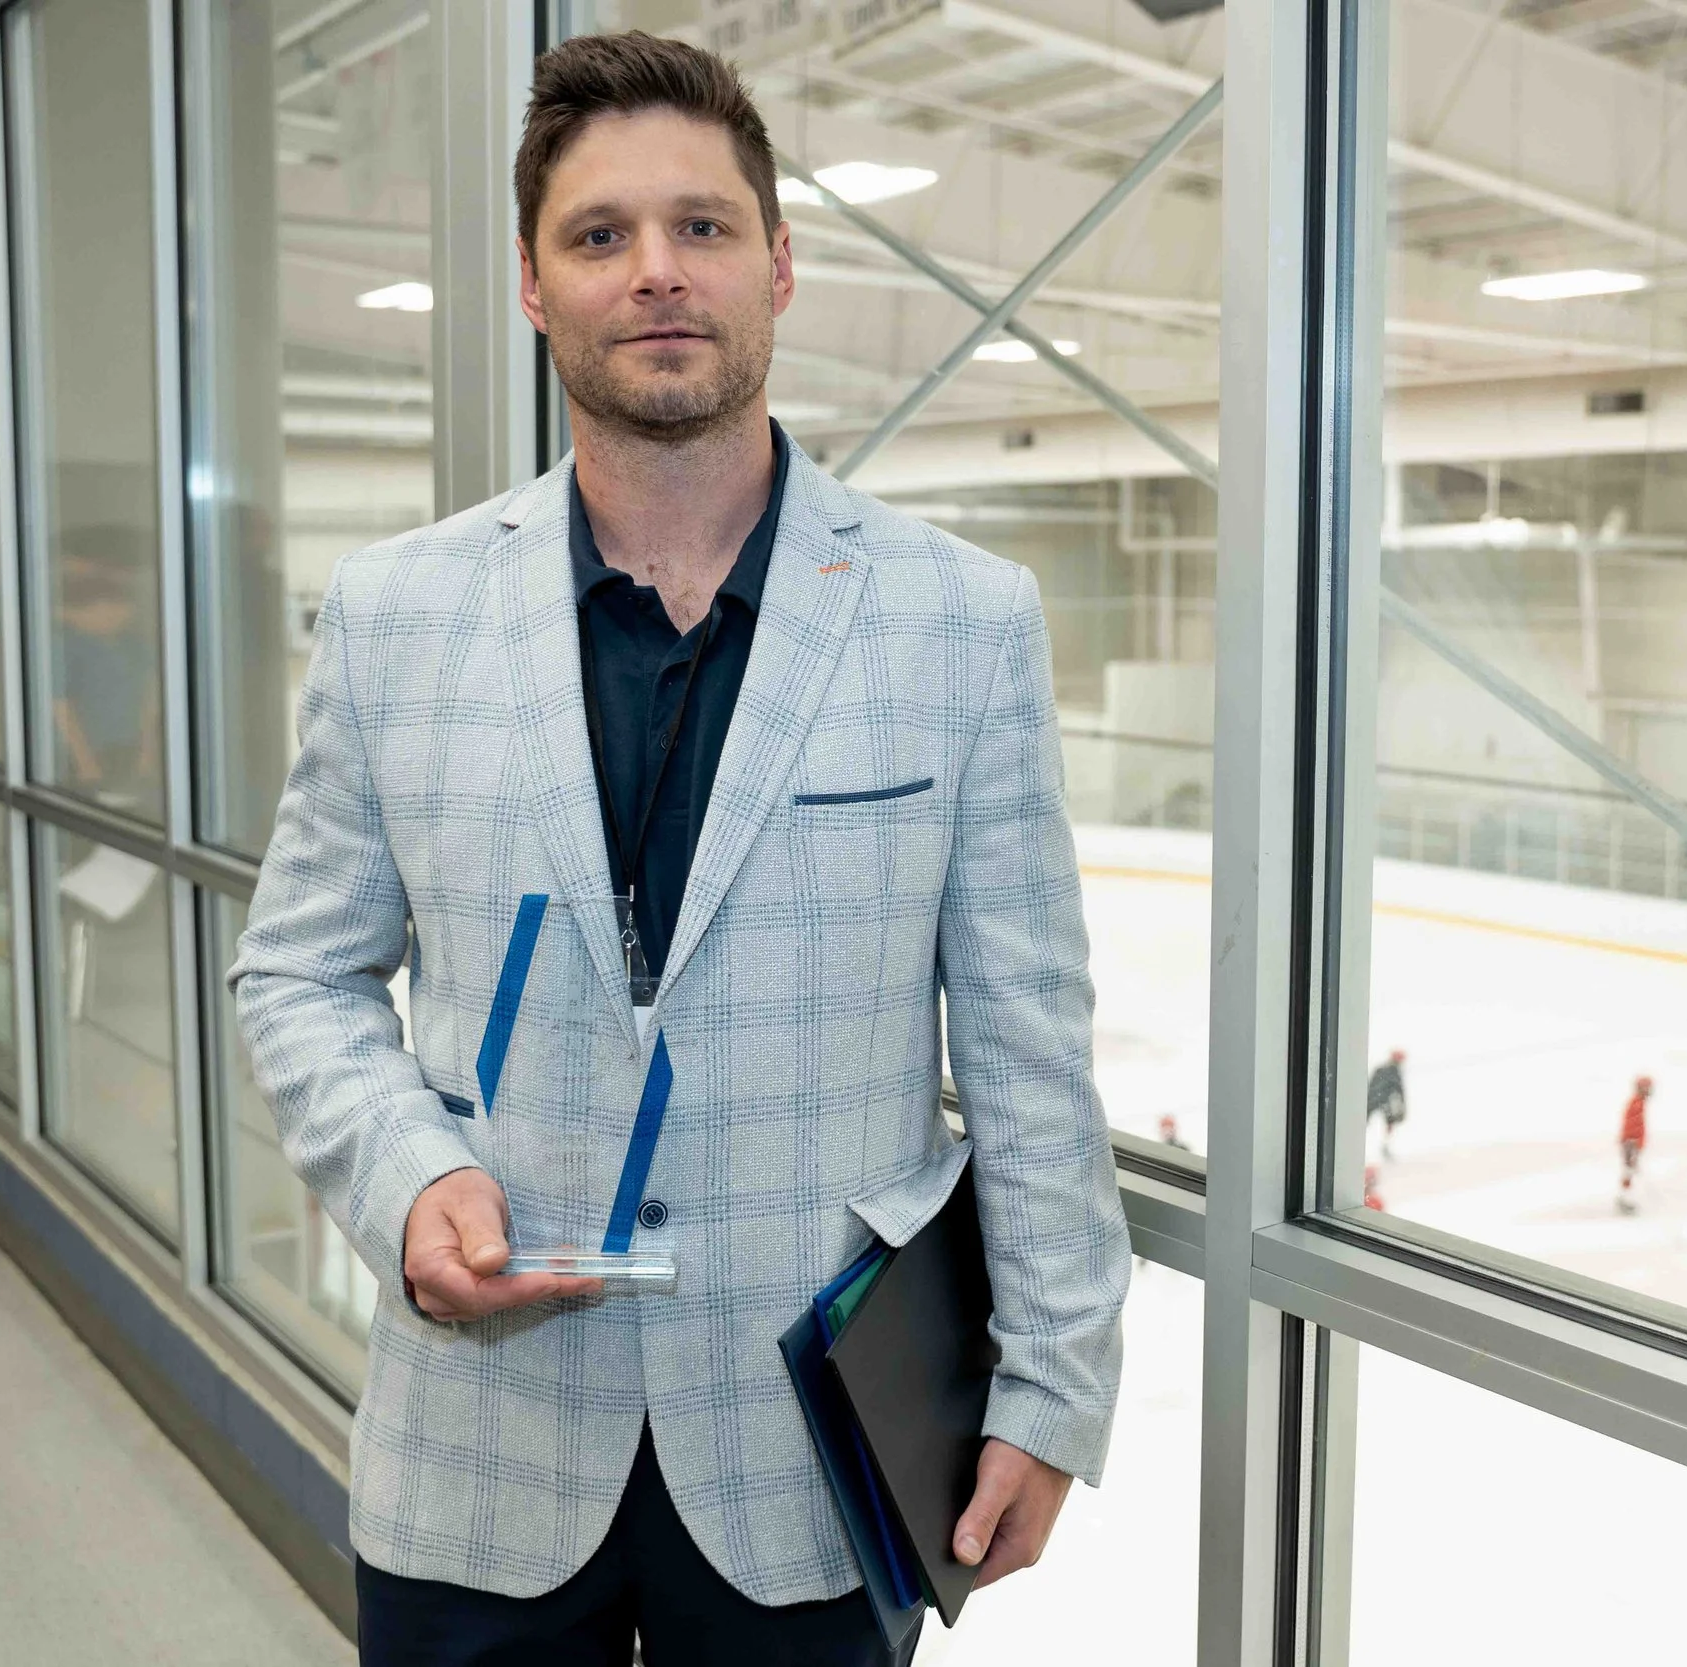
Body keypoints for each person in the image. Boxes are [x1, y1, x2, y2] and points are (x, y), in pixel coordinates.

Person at [229, 34, 1128, 1667]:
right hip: (481, 1452)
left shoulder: (960, 623)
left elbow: (1029, 1047)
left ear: (778, 263)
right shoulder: (394, 616)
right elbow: (298, 969)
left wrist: (1055, 1380)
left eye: (703, 227)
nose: (657, 271)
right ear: (532, 284)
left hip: (810, 1452)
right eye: (600, 234)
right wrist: (410, 1172)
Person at [1366, 1047, 1409, 1161]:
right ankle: (1384, 1146)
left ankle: (1383, 1146)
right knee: (1389, 1122)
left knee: (1385, 1122)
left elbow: (1371, 1084)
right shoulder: (1394, 1071)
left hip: (1374, 1099)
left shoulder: (1380, 1069)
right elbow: (1399, 1090)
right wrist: (1403, 1106)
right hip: (1381, 1100)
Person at [1616, 1075, 1651, 1214]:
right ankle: (1624, 1200)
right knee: (1629, 1172)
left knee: (1630, 1172)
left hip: (1632, 1144)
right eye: (1647, 1087)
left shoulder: (1639, 1102)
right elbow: (1632, 1127)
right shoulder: (1636, 1103)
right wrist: (1632, 1145)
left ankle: (1626, 1199)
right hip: (1631, 1144)